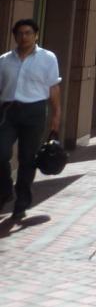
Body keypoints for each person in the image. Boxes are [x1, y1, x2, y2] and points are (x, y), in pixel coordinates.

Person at [0, 18, 61, 222]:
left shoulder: (48, 58)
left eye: (28, 33)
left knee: (27, 159)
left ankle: (21, 203)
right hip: (8, 111)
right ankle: (5, 189)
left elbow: (53, 87)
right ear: (14, 36)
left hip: (34, 111)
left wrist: (56, 115)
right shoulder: (4, 60)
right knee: (1, 153)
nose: (24, 37)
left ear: (35, 35)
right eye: (20, 33)